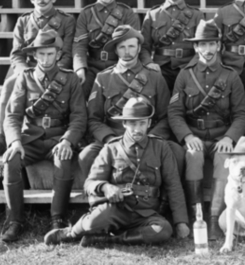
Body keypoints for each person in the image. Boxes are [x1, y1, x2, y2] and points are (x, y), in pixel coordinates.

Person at [44, 97, 189, 247]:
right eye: (132, 123)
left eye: (141, 123)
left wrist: (181, 222)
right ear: (124, 123)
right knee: (92, 222)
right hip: (116, 210)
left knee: (163, 230)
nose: (137, 129)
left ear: (149, 123)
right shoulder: (111, 148)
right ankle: (70, 233)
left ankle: (109, 239)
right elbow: (90, 183)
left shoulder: (161, 147)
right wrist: (106, 187)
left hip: (145, 213)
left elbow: (174, 186)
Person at [0, 29, 87, 242]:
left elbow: (79, 117)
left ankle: (58, 219)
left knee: (64, 159)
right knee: (11, 161)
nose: (46, 59)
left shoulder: (70, 79)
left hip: (57, 139)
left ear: (58, 54)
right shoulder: (24, 78)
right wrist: (14, 142)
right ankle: (14, 221)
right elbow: (12, 115)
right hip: (29, 139)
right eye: (42, 54)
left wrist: (67, 140)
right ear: (34, 55)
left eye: (50, 54)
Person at [168, 19, 245, 240]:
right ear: (195, 48)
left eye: (212, 44)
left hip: (220, 136)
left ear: (219, 46)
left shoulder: (230, 76)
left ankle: (214, 218)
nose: (207, 49)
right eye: (202, 45)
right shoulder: (185, 75)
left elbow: (242, 114)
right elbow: (175, 113)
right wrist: (186, 136)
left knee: (224, 157)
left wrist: (230, 137)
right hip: (195, 135)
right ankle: (198, 217)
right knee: (193, 155)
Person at [78, 25, 185, 183]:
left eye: (131, 46)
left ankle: (164, 200)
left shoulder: (155, 77)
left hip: (147, 135)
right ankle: (102, 198)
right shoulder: (103, 78)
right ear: (116, 50)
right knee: (87, 155)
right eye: (122, 47)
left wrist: (151, 139)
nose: (127, 51)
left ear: (139, 47)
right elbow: (94, 119)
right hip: (114, 136)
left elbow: (165, 116)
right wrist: (110, 139)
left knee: (176, 152)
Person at [0, 0, 75, 156]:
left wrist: (53, 69)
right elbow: (17, 53)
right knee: (9, 85)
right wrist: (25, 73)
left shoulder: (67, 20)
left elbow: (66, 53)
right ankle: (1, 138)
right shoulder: (23, 21)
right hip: (28, 67)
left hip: (54, 66)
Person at [73, 0, 140, 97]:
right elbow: (79, 45)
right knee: (79, 91)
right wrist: (80, 69)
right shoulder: (86, 14)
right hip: (92, 66)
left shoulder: (127, 13)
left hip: (119, 64)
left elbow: (135, 43)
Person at [140, 0, 203, 91]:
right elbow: (144, 46)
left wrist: (192, 66)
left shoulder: (196, 15)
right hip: (160, 68)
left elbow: (201, 46)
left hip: (187, 66)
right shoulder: (153, 14)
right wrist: (149, 63)